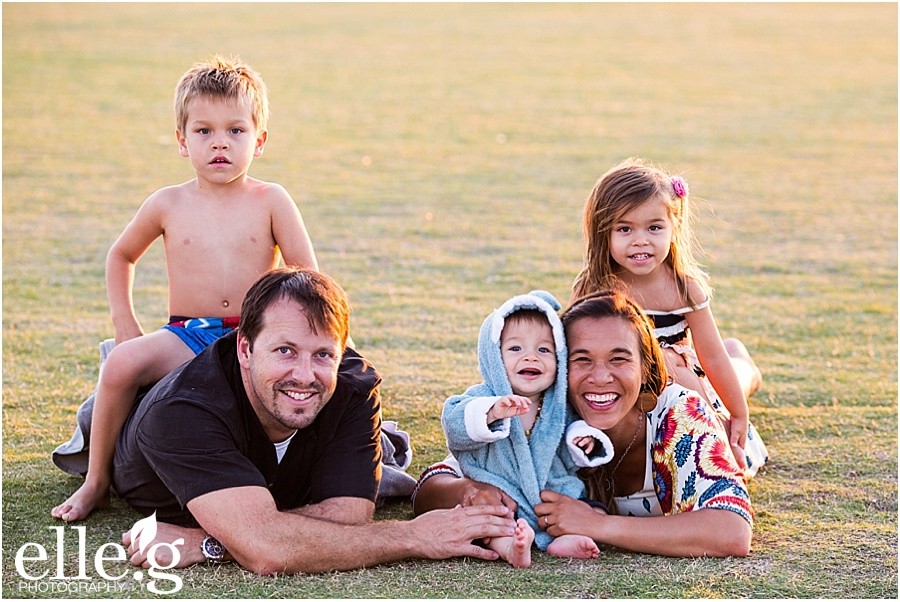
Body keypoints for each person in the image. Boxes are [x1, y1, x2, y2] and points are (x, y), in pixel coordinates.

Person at [51, 55, 318, 522]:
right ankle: (96, 481)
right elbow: (121, 255)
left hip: (253, 337)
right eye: (204, 131)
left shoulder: (271, 199)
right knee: (121, 363)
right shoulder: (167, 203)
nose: (220, 144)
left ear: (259, 140)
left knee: (334, 380)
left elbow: (307, 277)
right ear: (181, 141)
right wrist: (124, 323)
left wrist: (328, 340)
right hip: (187, 333)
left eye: (236, 131)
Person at [113, 267, 517, 574]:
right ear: (246, 348)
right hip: (153, 448)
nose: (305, 375)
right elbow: (266, 550)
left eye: (322, 354)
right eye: (285, 350)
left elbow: (349, 515)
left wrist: (208, 542)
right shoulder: (183, 412)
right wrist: (417, 534)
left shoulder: (352, 384)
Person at [415, 291, 755, 558]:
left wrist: (599, 525)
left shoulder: (680, 415)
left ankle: (740, 360)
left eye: (619, 358)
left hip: (730, 435)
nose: (600, 377)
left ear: (645, 367)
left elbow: (732, 531)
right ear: (560, 366)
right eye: (582, 360)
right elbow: (432, 484)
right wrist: (471, 492)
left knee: (731, 386)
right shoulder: (545, 417)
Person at [571, 157, 767, 475]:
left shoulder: (682, 287)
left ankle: (745, 368)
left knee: (712, 369)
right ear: (602, 233)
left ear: (673, 227)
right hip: (627, 384)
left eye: (654, 227)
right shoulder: (595, 286)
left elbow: (713, 357)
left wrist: (739, 414)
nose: (640, 240)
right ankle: (740, 359)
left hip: (685, 381)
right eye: (624, 228)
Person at [441, 291, 613, 567]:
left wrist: (582, 440)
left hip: (553, 498)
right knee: (490, 520)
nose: (531, 358)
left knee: (591, 510)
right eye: (515, 349)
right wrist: (491, 412)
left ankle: (562, 540)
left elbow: (569, 443)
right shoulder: (483, 397)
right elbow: (454, 424)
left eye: (544, 350)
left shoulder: (558, 406)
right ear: (494, 357)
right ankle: (509, 546)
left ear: (560, 359)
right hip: (504, 495)